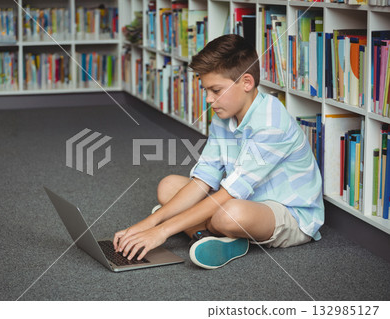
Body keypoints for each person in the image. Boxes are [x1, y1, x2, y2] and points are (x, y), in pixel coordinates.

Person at [113, 34, 324, 269]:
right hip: (243, 198)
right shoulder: (223, 117)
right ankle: (218, 236)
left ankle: (197, 228)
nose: (208, 100)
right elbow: (205, 177)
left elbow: (229, 195)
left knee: (229, 214)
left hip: (288, 213)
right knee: (169, 186)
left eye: (215, 90)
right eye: (206, 90)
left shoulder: (271, 123)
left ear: (246, 82)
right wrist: (148, 224)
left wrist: (162, 230)